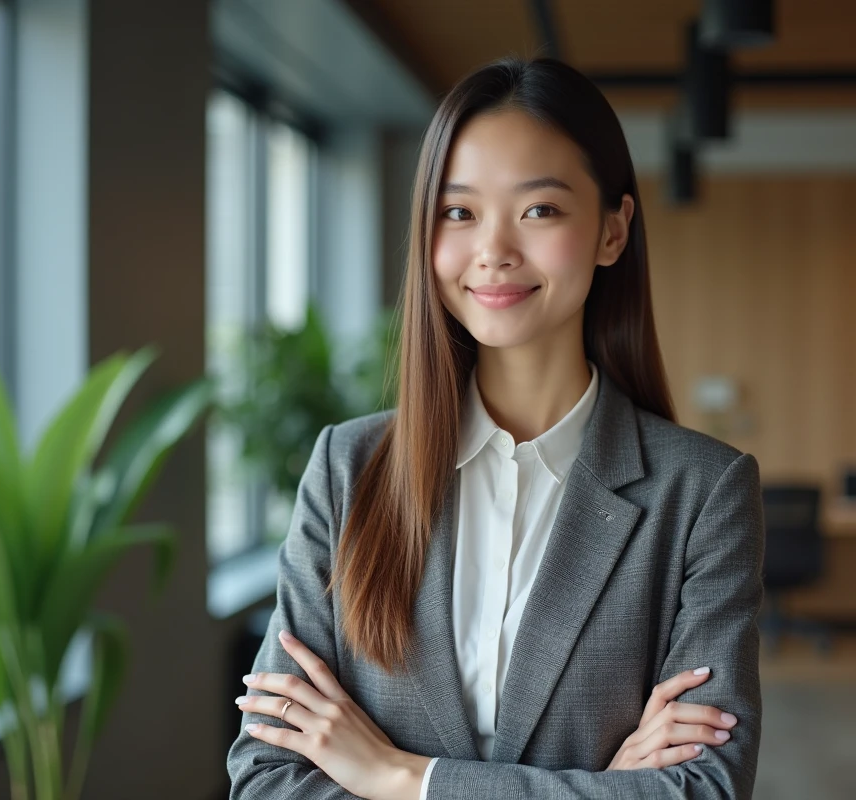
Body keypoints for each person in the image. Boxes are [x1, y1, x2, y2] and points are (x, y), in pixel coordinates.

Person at [227, 55, 764, 799]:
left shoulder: (702, 492)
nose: (494, 251)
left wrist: (401, 777)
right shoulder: (347, 469)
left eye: (539, 210)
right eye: (459, 213)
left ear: (613, 231)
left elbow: (704, 789)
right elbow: (266, 779)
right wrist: (600, 789)